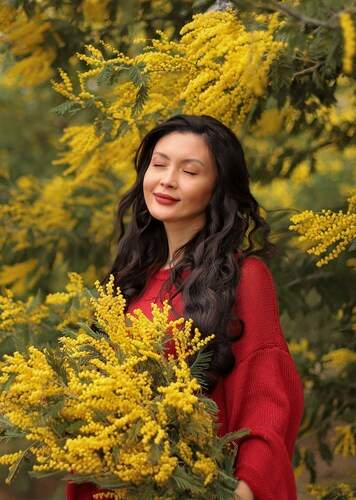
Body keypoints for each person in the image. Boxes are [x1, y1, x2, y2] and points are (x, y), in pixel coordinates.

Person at [65, 114, 304, 500]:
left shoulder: (244, 276)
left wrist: (245, 489)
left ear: (217, 189)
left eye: (189, 171)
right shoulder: (130, 279)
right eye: (159, 165)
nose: (167, 180)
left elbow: (266, 393)